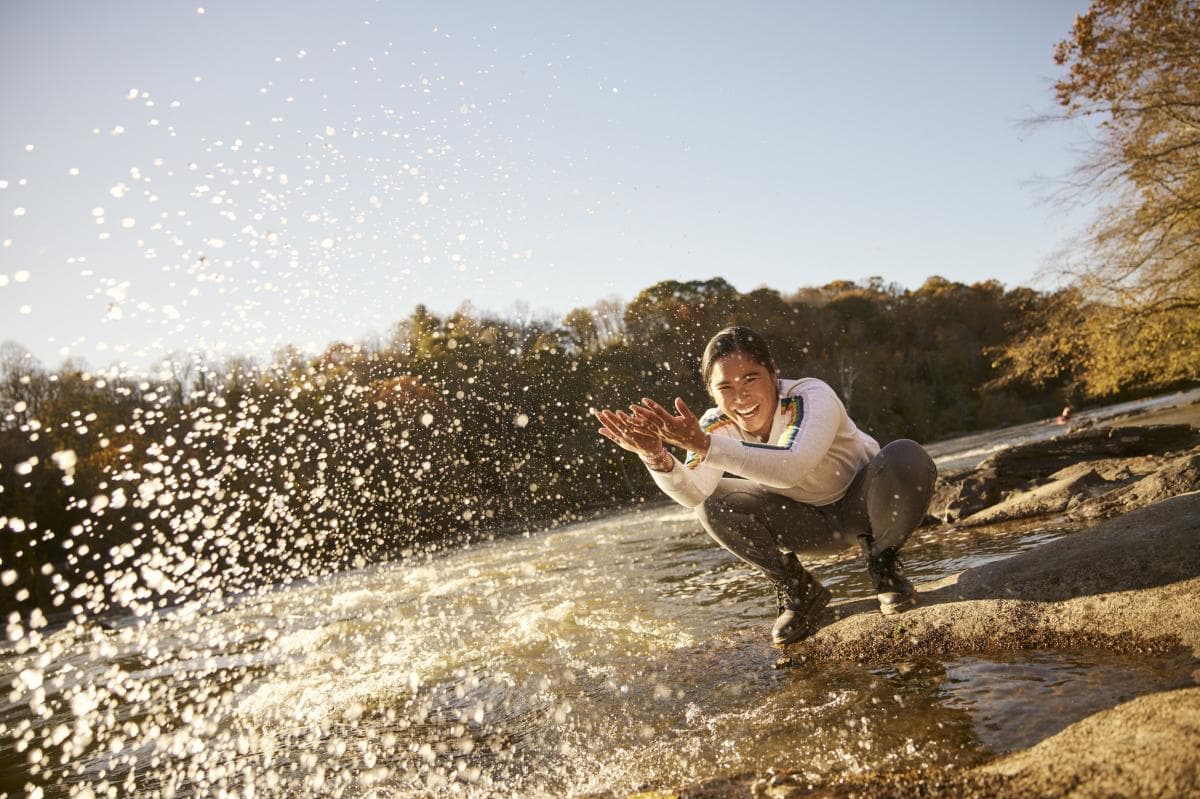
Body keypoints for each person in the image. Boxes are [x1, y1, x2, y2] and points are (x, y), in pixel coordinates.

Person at [593, 326, 937, 645]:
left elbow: (792, 465)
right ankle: (800, 591)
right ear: (711, 392)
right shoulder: (714, 424)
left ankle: (884, 565)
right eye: (724, 387)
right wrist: (656, 457)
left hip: (866, 511)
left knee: (905, 454)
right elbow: (693, 493)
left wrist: (704, 446)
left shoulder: (811, 395)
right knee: (711, 503)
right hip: (808, 525)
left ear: (773, 372)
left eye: (750, 378)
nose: (740, 396)